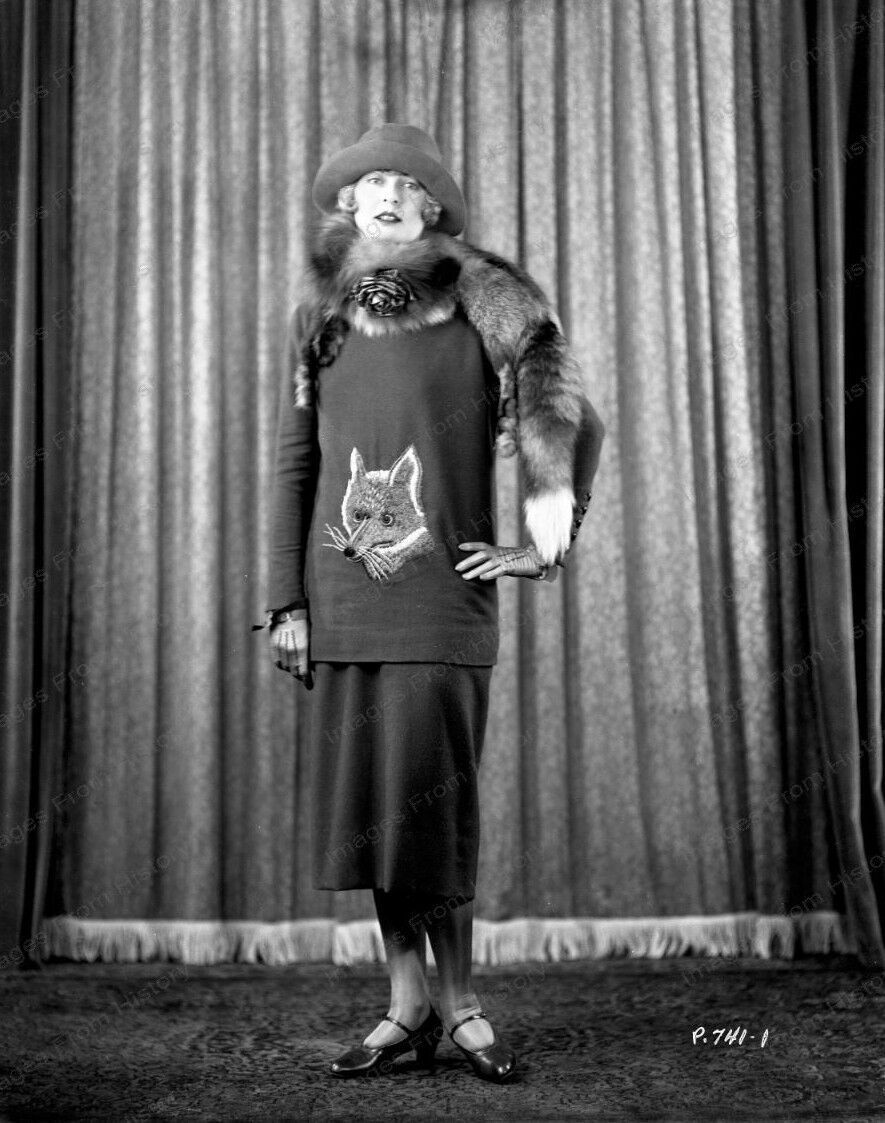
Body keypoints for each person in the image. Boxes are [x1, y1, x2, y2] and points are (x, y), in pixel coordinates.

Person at [257, 123, 605, 1082]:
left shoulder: (486, 301)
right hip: (341, 602)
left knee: (431, 809)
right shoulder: (319, 315)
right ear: (349, 206)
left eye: (403, 182)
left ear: (430, 207)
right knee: (377, 814)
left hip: (442, 605)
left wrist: (542, 544)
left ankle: (462, 1005)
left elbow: (572, 417)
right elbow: (294, 464)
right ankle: (406, 1003)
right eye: (368, 181)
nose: (384, 192)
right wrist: (286, 602)